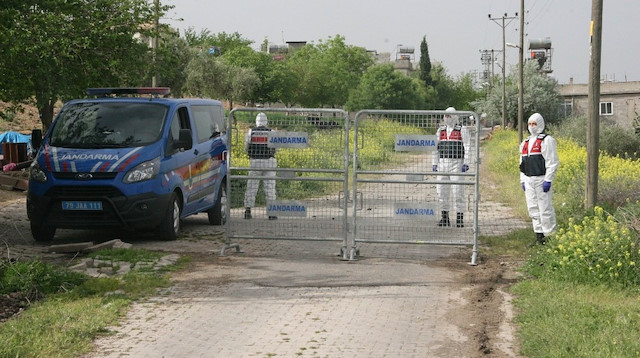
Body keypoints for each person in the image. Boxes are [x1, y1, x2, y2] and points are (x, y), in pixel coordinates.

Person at [519, 113, 559, 244]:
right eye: (530, 124)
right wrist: (523, 180)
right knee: (533, 209)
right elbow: (522, 163)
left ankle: (550, 236)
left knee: (545, 208)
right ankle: (539, 236)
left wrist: (548, 179)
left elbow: (552, 162)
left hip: (541, 179)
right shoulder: (525, 142)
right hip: (529, 180)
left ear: (540, 124)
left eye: (534, 124)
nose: (532, 126)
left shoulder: (547, 140)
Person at [432, 107, 471, 227]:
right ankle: (445, 217)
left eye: (449, 116)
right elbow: (435, 148)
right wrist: (434, 162)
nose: (447, 118)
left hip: (457, 163)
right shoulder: (441, 131)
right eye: (446, 116)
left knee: (458, 191)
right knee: (441, 191)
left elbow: (467, 146)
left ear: (455, 116)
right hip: (443, 163)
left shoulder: (462, 130)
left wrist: (466, 162)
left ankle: (459, 218)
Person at [243, 112, 277, 220]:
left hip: (255, 161)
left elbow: (246, 147)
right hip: (269, 162)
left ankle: (248, 211)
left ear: (256, 121)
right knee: (270, 188)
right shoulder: (271, 132)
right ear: (266, 121)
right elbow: (276, 148)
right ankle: (271, 214)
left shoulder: (251, 132)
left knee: (252, 187)